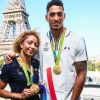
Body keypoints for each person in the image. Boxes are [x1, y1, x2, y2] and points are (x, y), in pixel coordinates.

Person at [5, 0, 88, 100]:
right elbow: (25, 55)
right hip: (46, 97)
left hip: (70, 97)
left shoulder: (77, 39)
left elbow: (82, 72)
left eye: (59, 14)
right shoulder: (40, 41)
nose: (56, 18)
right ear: (46, 17)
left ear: (64, 16)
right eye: (52, 14)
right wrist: (12, 53)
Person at [0, 30, 41, 100]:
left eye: (35, 45)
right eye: (30, 43)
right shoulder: (10, 65)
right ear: (21, 44)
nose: (33, 46)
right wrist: (19, 95)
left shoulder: (36, 63)